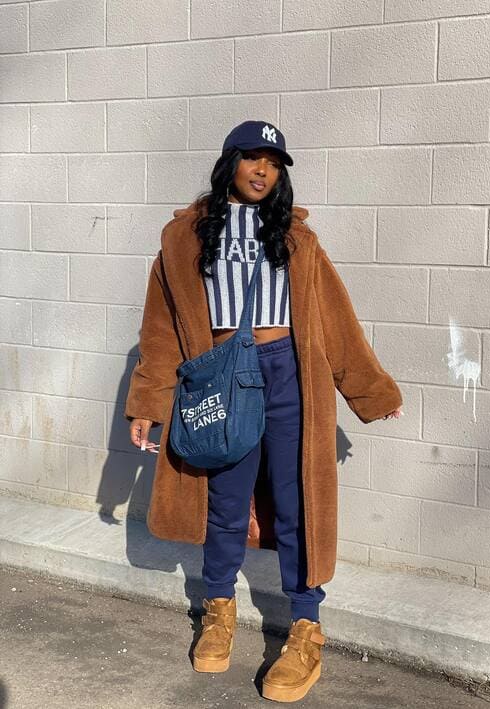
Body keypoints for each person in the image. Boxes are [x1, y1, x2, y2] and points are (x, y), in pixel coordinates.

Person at [126, 120, 403, 703]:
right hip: (222, 376)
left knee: (297, 501)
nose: (261, 170)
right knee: (225, 503)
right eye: (251, 158)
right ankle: (218, 610)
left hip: (290, 376)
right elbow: (159, 329)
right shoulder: (184, 237)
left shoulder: (297, 239)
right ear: (229, 163)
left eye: (273, 163)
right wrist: (149, 402)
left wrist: (369, 391)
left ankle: (306, 628)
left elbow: (334, 319)